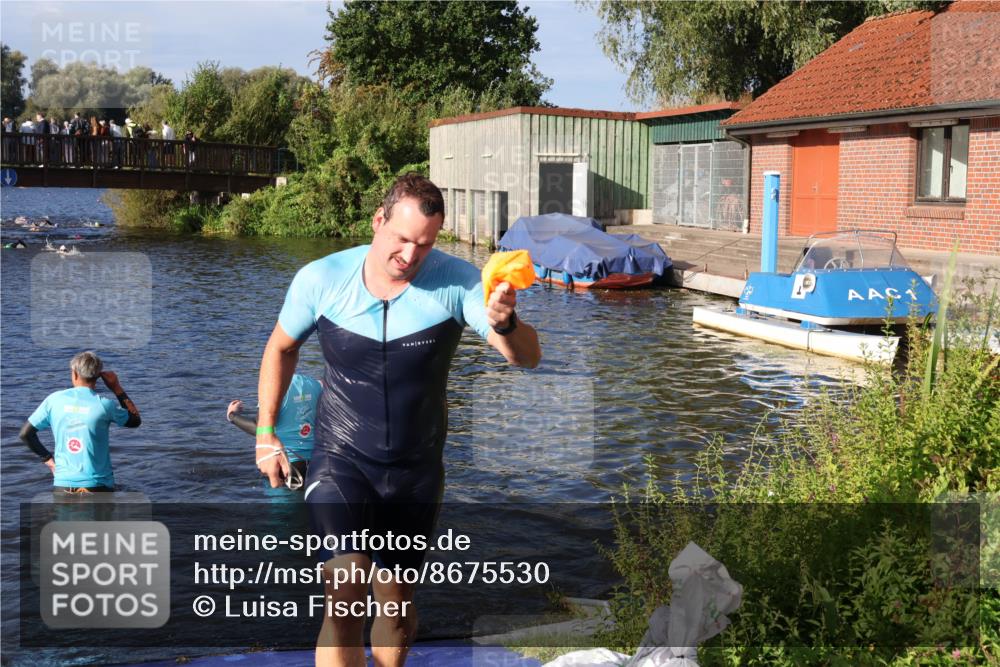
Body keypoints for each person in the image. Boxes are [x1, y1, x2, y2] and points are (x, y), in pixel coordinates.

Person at [255, 173, 541, 666]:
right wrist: (265, 433)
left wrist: (504, 322)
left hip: (414, 471)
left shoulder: (457, 282)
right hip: (341, 458)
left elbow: (525, 357)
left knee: (396, 602)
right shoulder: (322, 279)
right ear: (378, 221)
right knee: (343, 593)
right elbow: (280, 348)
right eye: (402, 239)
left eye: (424, 245)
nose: (410, 256)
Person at [19, 351, 141, 493]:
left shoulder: (53, 400)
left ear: (75, 374)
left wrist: (49, 461)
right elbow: (135, 420)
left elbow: (25, 434)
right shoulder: (105, 405)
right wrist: (116, 387)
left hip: (63, 483)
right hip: (98, 484)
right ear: (98, 377)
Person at [227, 373, 321, 492]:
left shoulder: (274, 388)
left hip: (283, 466)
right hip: (317, 465)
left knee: (282, 510)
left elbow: (261, 430)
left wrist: (233, 416)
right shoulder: (316, 384)